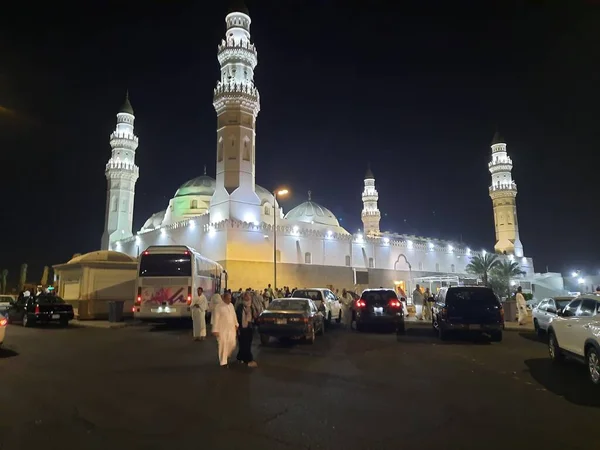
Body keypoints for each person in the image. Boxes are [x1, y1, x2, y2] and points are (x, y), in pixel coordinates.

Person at [212, 292, 238, 367]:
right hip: (222, 329)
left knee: (232, 343)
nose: (229, 300)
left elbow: (234, 315)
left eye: (230, 298)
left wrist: (236, 324)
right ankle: (223, 362)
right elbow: (216, 319)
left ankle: (226, 354)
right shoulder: (219, 307)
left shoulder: (231, 305)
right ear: (224, 298)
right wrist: (215, 330)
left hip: (231, 328)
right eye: (228, 298)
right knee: (223, 345)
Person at [235, 292, 259, 367]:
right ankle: (248, 360)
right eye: (246, 297)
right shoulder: (240, 307)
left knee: (247, 344)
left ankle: (241, 358)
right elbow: (237, 317)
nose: (247, 298)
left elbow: (255, 316)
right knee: (243, 344)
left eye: (248, 297)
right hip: (242, 328)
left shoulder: (252, 306)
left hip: (249, 327)